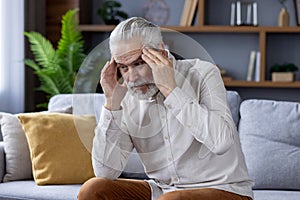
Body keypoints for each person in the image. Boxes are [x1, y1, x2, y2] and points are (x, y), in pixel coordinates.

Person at [78, 17, 253, 200]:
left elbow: (221, 142)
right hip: (162, 190)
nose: (132, 78)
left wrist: (171, 90)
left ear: (160, 52)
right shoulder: (126, 95)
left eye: (138, 63)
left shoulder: (203, 73)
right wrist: (111, 104)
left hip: (224, 189)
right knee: (93, 189)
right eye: (123, 67)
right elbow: (106, 172)